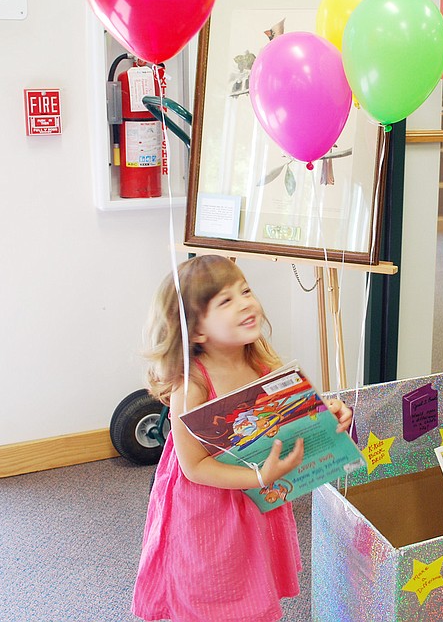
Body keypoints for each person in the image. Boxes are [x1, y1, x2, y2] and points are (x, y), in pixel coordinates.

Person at [131, 255, 353, 622]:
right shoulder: (194, 385)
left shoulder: (261, 363)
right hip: (208, 507)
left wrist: (329, 417)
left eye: (245, 290)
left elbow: (289, 423)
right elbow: (194, 467)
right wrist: (259, 478)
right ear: (197, 330)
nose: (246, 302)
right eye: (226, 300)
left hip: (256, 495)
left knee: (251, 581)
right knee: (212, 592)